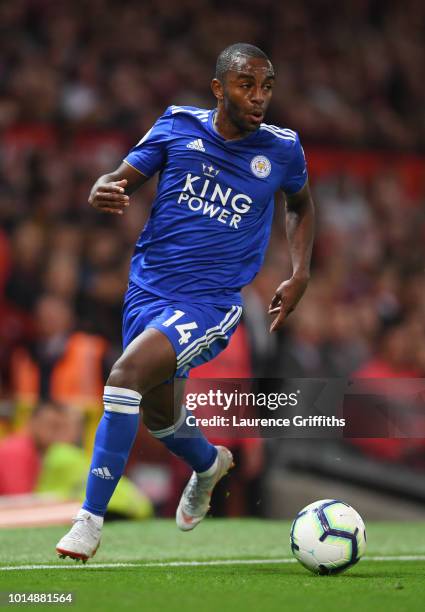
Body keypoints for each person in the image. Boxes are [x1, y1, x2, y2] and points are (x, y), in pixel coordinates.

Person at [56, 42, 315, 561]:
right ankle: (208, 465)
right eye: (247, 85)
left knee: (123, 377)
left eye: (267, 86)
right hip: (146, 290)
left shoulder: (282, 149)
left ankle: (89, 519)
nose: (259, 97)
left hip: (210, 304)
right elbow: (118, 178)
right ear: (219, 88)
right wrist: (102, 188)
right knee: (159, 417)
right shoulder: (176, 125)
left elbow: (300, 206)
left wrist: (300, 271)